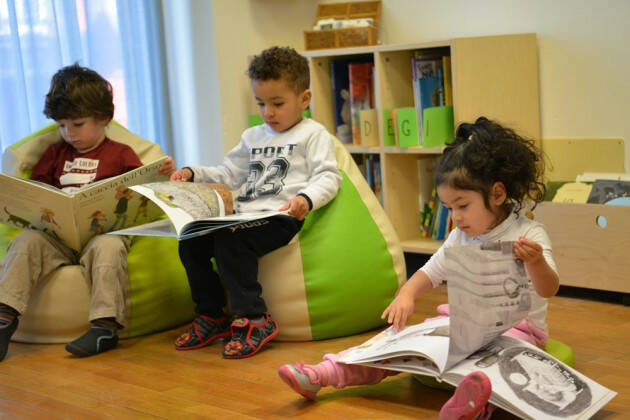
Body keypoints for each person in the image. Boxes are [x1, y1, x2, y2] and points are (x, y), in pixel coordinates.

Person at [278, 117, 560, 419]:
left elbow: (549, 289)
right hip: (461, 326)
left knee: (501, 366)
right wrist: (407, 294)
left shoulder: (529, 234)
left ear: (497, 194)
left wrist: (536, 262)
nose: (456, 217)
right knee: (393, 344)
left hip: (517, 332)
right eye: (449, 208)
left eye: (463, 206)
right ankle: (323, 374)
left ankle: (475, 406)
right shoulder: (459, 236)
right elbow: (431, 271)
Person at [166, 46, 341, 359]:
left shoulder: (313, 134)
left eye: (277, 103)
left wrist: (305, 199)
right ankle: (212, 315)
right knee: (190, 240)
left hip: (281, 216)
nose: (268, 113)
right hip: (243, 215)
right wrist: (194, 173)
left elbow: (329, 177)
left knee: (232, 243)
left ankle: (255, 319)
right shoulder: (253, 137)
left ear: (304, 99)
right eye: (261, 103)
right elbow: (228, 174)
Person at [0, 63, 174, 361]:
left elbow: (140, 193)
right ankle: (4, 318)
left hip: (104, 234)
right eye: (62, 126)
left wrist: (161, 176)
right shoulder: (54, 153)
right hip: (57, 236)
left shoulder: (121, 153)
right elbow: (37, 191)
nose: (69, 134)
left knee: (108, 249)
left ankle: (105, 326)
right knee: (25, 243)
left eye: (77, 125)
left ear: (104, 118)